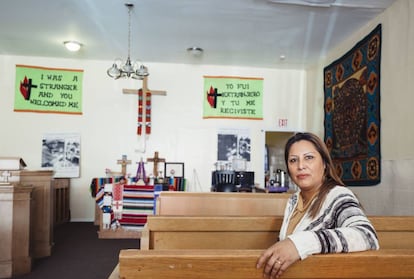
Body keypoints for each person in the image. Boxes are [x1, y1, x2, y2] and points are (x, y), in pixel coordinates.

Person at [256, 132, 379, 278]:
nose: (301, 166)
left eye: (309, 158)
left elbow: (367, 236)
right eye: (293, 160)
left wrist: (299, 244)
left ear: (325, 164)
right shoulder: (294, 200)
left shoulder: (338, 195)